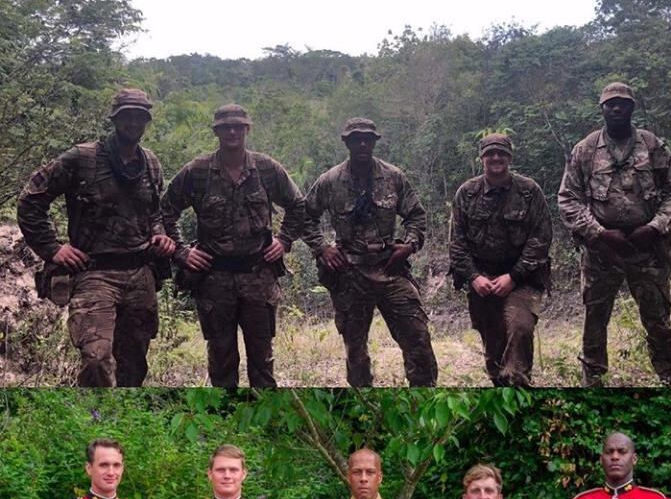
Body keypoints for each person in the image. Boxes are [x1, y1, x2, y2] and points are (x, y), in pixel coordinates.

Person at [17, 88, 175, 387]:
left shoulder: (151, 163)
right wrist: (52, 249)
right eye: (126, 116)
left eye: (139, 117)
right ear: (115, 119)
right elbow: (30, 200)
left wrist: (160, 235)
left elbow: (155, 212)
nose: (133, 123)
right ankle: (94, 413)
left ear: (146, 121)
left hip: (140, 273)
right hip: (93, 272)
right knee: (96, 358)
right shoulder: (82, 157)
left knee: (134, 362)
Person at [160, 104, 305, 387]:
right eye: (226, 127)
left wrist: (284, 240)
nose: (232, 131)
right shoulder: (198, 171)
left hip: (258, 277)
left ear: (247, 129)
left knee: (262, 360)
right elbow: (164, 211)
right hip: (214, 280)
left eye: (238, 126)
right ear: (216, 131)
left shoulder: (266, 168)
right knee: (221, 359)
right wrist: (181, 252)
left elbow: (298, 205)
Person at [557, 82, 671, 387]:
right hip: (603, 250)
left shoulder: (652, 145)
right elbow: (568, 198)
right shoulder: (586, 149)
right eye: (610, 104)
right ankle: (594, 377)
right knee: (596, 316)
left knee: (657, 314)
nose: (616, 109)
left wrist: (655, 226)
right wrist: (599, 233)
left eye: (623, 104)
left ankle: (670, 374)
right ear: (601, 108)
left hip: (648, 247)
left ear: (632, 108)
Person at [302, 118, 438, 387]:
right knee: (355, 350)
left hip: (390, 268)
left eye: (367, 138)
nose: (362, 143)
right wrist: (323, 248)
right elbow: (304, 217)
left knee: (418, 339)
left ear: (375, 141)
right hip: (350, 273)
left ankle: (424, 401)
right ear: (346, 142)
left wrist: (409, 245)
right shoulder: (329, 181)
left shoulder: (393, 177)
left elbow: (416, 216)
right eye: (356, 138)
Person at [450, 133, 552, 387]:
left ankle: (519, 388)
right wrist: (474, 277)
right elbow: (456, 244)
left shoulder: (529, 191)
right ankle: (499, 387)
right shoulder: (467, 193)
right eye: (490, 153)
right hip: (482, 280)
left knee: (520, 329)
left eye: (502, 153)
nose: (496, 158)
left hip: (522, 279)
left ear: (510, 157)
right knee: (493, 344)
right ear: (482, 158)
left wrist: (514, 276)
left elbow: (541, 238)